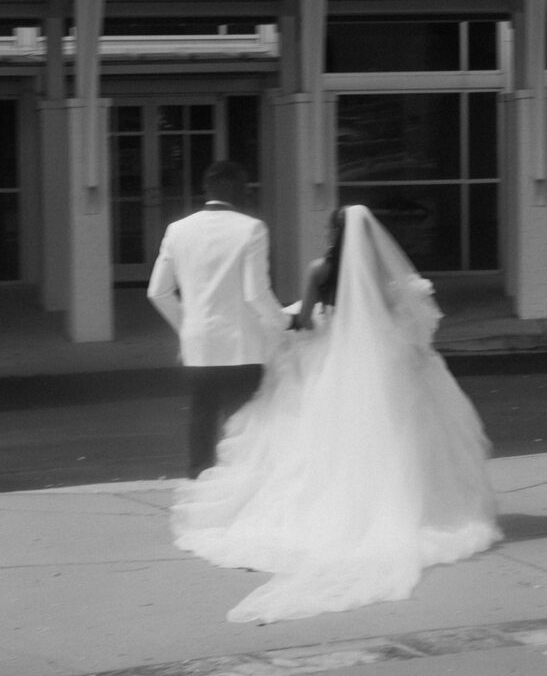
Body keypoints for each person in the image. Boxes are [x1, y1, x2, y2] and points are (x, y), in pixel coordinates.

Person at [172, 204, 501, 622]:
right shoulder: (384, 277)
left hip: (331, 361)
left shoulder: (318, 271)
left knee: (323, 436)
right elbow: (402, 317)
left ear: (333, 233)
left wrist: (290, 319)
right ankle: (408, 508)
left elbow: (306, 321)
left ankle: (339, 505)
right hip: (384, 363)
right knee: (394, 437)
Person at [147, 160, 291, 480]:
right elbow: (255, 293)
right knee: (241, 414)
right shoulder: (251, 228)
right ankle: (241, 478)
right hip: (241, 342)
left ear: (206, 189)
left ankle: (199, 473)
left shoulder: (178, 229)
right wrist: (282, 322)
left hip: (198, 340)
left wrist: (186, 325)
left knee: (202, 408)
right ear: (239, 189)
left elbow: (158, 292)